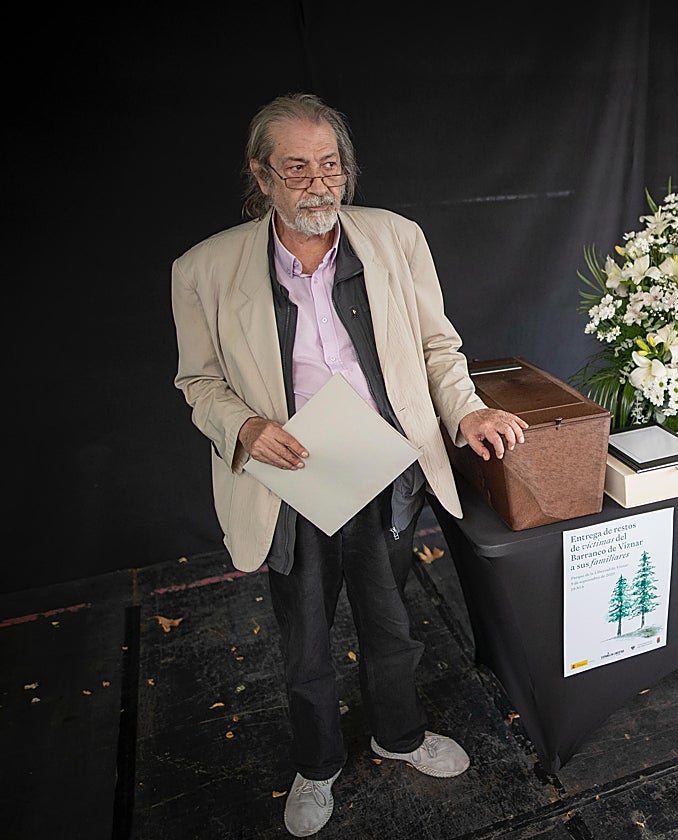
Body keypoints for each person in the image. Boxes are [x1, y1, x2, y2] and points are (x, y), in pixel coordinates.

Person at [171, 92, 529, 837]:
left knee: (390, 617)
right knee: (304, 634)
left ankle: (398, 735)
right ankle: (317, 764)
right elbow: (198, 381)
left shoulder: (395, 239)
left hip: (385, 466)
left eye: (330, 165)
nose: (319, 183)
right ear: (260, 174)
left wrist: (466, 411)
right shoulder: (203, 269)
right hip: (290, 476)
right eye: (297, 168)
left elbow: (436, 347)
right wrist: (245, 427)